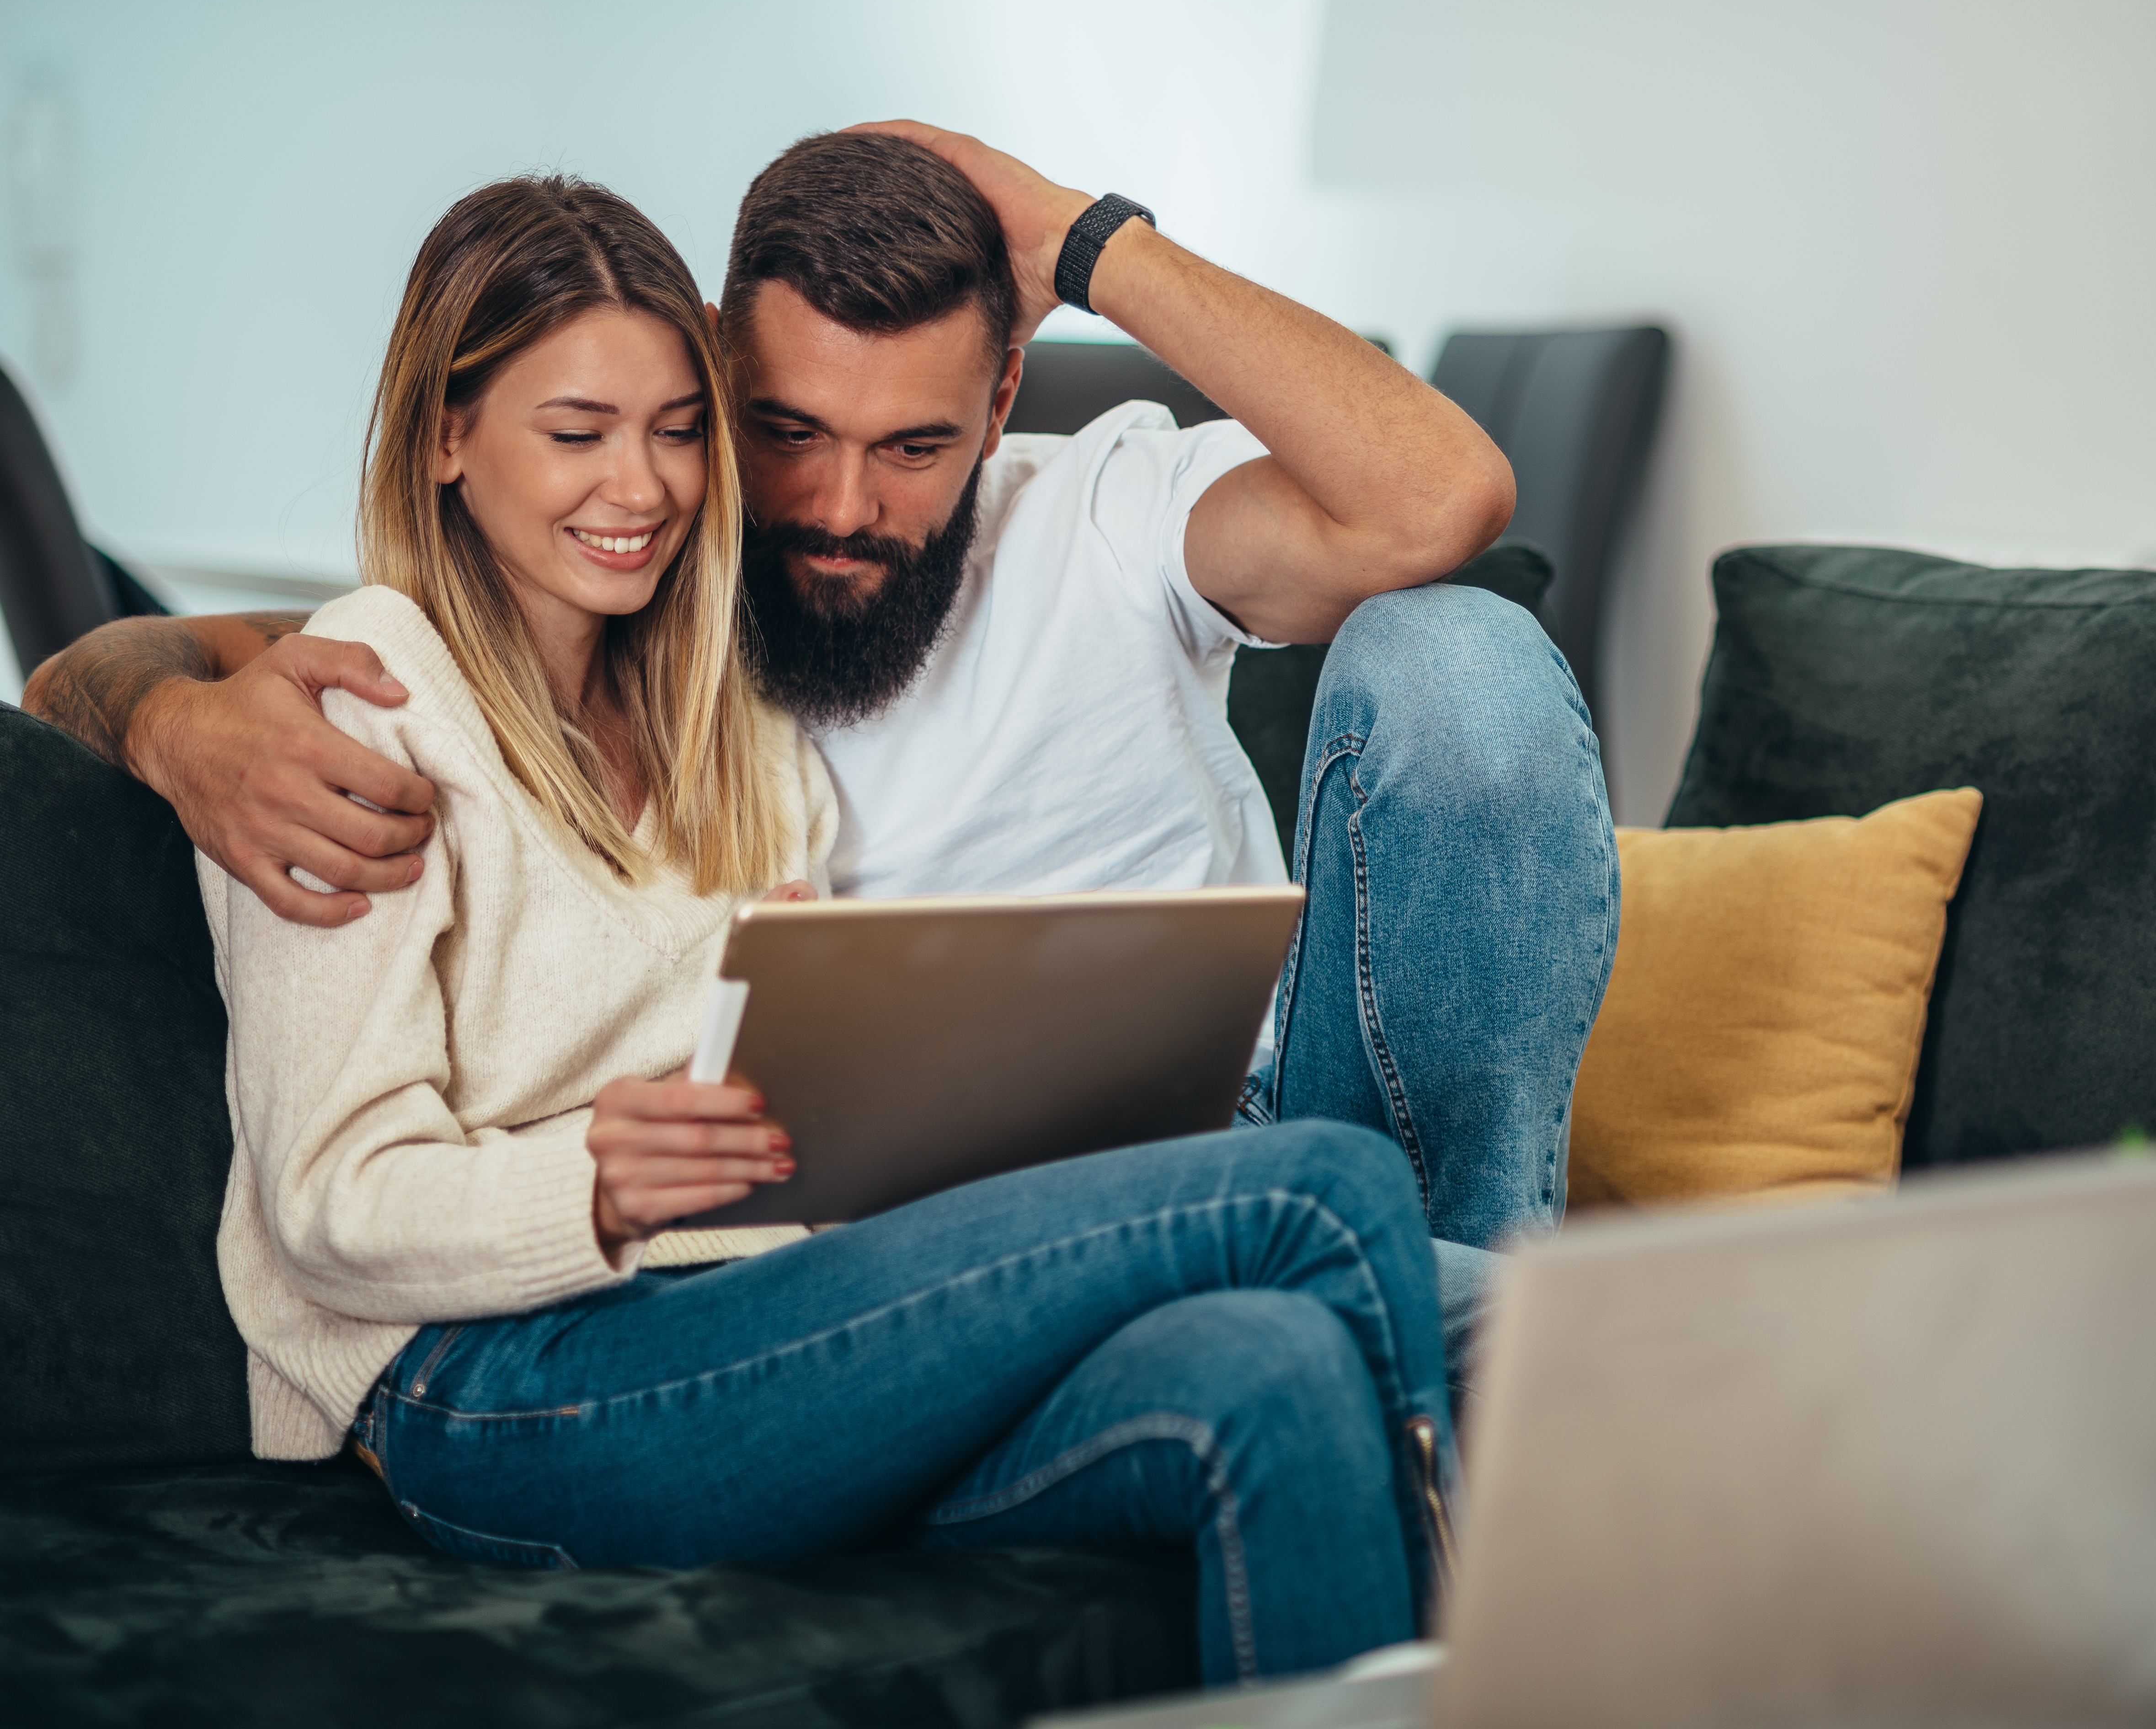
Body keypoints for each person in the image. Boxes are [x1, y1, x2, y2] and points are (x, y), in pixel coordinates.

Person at [25, 122, 1620, 1352]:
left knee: (1461, 649)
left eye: (914, 446)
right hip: (957, 1222)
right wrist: (170, 724)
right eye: (786, 433)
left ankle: (1473, 1283)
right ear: (715, 377)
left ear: (1000, 402)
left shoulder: (1096, 512)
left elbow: (1443, 499)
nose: (844, 510)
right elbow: (124, 664)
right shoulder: (635, 584)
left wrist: (1078, 236)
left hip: (1263, 1118)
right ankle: (1468, 1343)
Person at [192, 173, 1455, 1686]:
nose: (640, 486)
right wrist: (587, 1188)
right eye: (576, 432)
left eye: (676, 429)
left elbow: (755, 1140)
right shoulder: (362, 707)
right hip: (493, 1378)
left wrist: (852, 1083)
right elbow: (326, 1203)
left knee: (1268, 1375)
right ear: (448, 436)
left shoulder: (730, 720)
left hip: (749, 1312)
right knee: (1316, 1184)